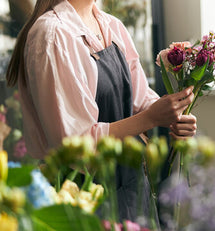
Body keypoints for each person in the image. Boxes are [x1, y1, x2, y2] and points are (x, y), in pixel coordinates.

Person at [6, 0, 197, 226]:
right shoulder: (52, 35)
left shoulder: (111, 25)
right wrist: (152, 117)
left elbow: (140, 99)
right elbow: (74, 146)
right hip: (82, 196)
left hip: (133, 187)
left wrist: (173, 115)